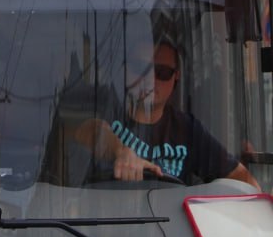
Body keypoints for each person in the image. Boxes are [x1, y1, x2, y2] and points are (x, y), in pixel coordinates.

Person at [71, 33, 259, 188]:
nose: (150, 80)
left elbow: (244, 181)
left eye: (161, 72)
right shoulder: (107, 106)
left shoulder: (188, 130)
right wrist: (121, 151)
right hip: (104, 226)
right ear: (125, 70)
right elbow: (88, 129)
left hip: (172, 228)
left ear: (176, 77)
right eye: (140, 67)